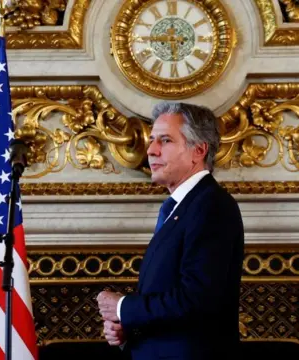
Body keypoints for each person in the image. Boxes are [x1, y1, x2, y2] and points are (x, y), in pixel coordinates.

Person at [96, 102, 245, 360]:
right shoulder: (183, 207)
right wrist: (129, 328)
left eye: (165, 141)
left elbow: (197, 300)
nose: (151, 150)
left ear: (198, 150)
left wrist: (123, 307)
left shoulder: (211, 205)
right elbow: (171, 297)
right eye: (152, 140)